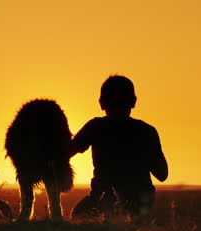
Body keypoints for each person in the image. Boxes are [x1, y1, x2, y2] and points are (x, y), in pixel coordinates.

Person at [70, 75, 168, 219]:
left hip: (102, 202)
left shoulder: (95, 127)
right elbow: (162, 174)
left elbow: (65, 153)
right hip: (140, 205)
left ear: (101, 103)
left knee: (78, 216)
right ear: (133, 102)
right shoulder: (147, 131)